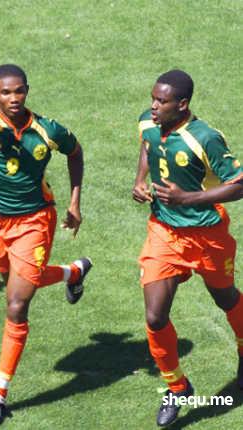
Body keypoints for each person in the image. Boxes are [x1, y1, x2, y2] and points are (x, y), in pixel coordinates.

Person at [0, 51, 92, 424]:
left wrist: (74, 202)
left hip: (34, 221)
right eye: (5, 92)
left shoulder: (47, 130)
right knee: (14, 282)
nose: (14, 98)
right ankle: (73, 272)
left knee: (17, 304)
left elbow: (75, 152)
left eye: (19, 91)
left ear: (27, 91)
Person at [132, 69, 243, 427]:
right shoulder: (149, 122)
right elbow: (147, 145)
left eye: (161, 101)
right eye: (153, 98)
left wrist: (188, 198)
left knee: (225, 298)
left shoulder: (206, 138)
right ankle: (177, 387)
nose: (153, 106)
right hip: (164, 232)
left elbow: (239, 183)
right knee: (155, 316)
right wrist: (140, 180)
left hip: (208, 235)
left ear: (182, 104)